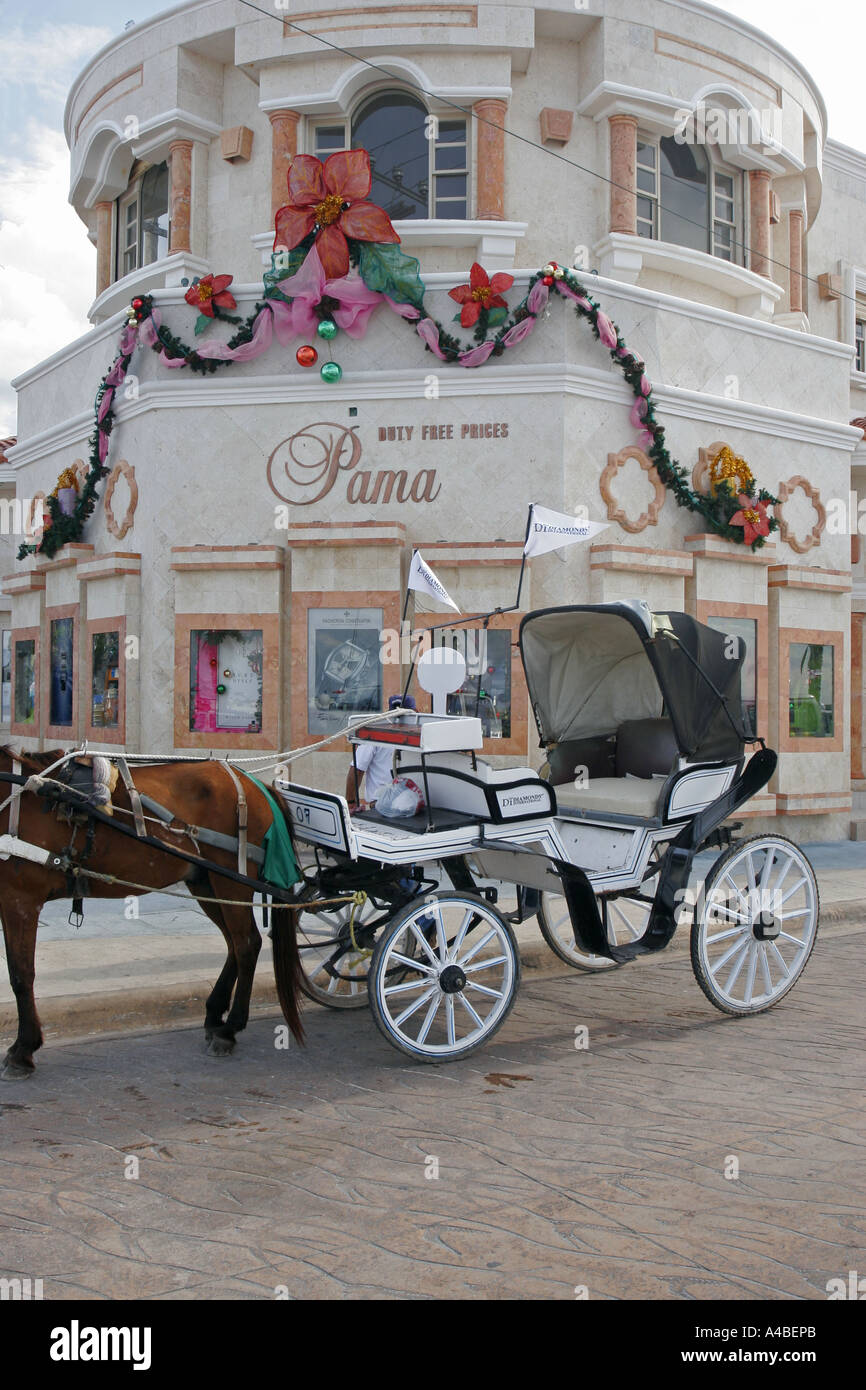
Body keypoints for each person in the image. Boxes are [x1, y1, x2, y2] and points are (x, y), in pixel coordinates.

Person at [346, 694, 416, 811]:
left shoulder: (374, 734)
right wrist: (350, 802)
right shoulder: (420, 734)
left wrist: (350, 802)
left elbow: (356, 769)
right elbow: (357, 769)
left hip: (393, 805)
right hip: (398, 805)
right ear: (415, 711)